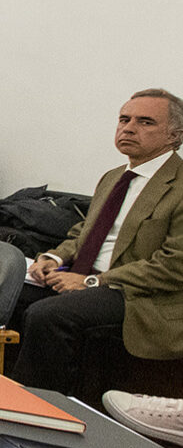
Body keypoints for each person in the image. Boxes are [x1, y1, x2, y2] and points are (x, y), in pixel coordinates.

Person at [16, 89, 183, 395]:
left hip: (140, 295)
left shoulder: (179, 185)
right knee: (9, 293)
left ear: (175, 136)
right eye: (124, 119)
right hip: (86, 276)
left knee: (49, 315)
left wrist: (93, 281)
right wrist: (53, 258)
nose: (129, 128)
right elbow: (86, 231)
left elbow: (174, 266)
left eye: (145, 122)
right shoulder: (114, 176)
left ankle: (45, 411)